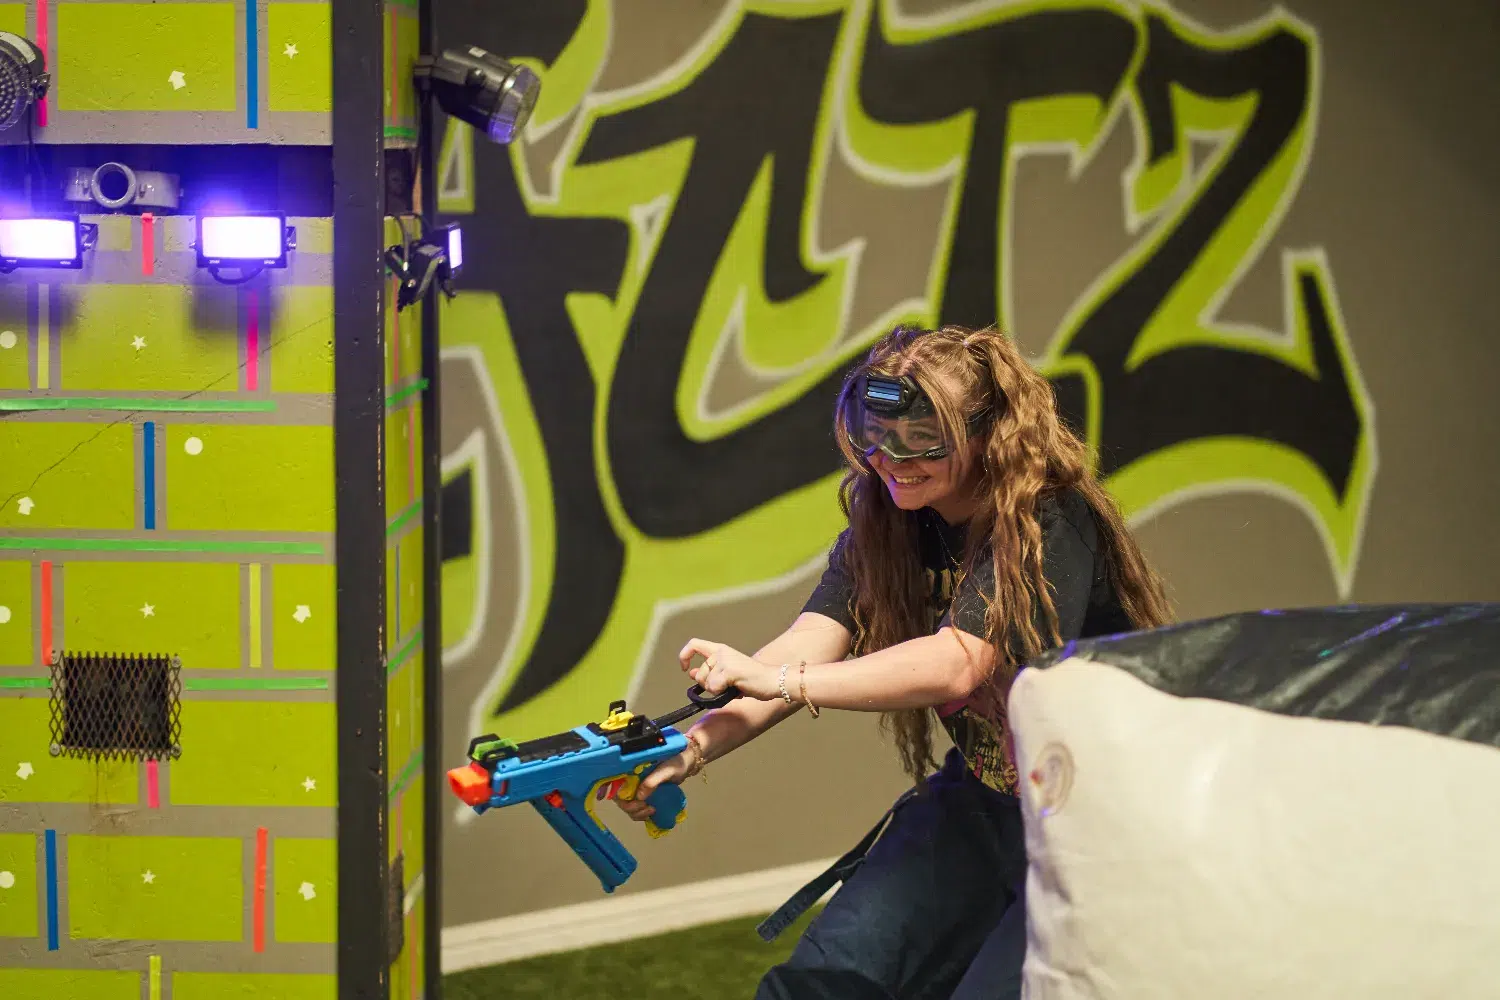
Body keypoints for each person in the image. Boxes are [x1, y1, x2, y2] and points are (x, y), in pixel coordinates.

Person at [616, 323, 1174, 999]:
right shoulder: (888, 526)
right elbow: (802, 645)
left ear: (986, 433)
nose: (892, 460)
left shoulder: (1050, 518)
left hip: (1099, 819)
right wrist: (690, 749)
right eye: (874, 437)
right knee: (820, 984)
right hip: (986, 801)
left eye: (921, 440)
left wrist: (785, 681)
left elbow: (957, 663)